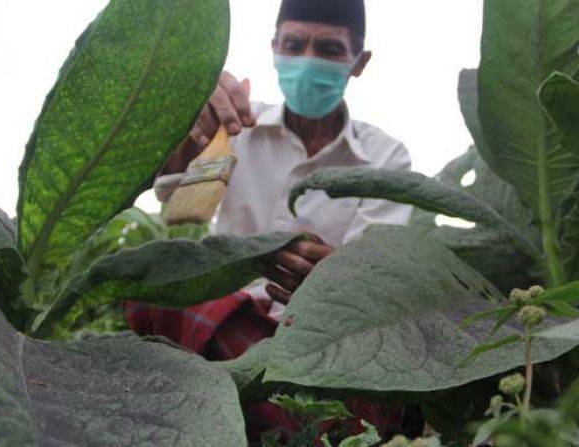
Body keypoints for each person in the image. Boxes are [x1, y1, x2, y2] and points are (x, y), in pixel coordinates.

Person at [126, 0, 415, 442]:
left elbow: (370, 284)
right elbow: (170, 187)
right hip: (225, 317)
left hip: (321, 334)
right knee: (165, 289)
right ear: (274, 47)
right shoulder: (233, 126)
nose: (307, 60)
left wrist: (330, 280)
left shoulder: (385, 160)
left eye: (329, 49)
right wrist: (186, 110)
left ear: (359, 62)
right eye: (294, 44)